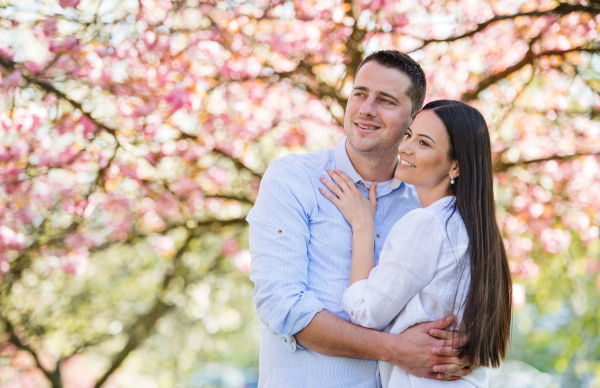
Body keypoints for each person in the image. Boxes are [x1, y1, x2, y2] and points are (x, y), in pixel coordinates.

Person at [248, 51, 472, 388]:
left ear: (412, 120)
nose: (366, 109)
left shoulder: (427, 208)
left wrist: (463, 350)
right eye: (360, 93)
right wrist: (395, 350)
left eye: (385, 100)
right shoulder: (294, 180)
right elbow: (283, 307)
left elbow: (462, 305)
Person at [318, 100, 512, 387]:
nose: (405, 147)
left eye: (424, 143)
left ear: (455, 165)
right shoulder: (474, 230)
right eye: (409, 135)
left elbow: (366, 313)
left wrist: (362, 226)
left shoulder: (427, 224)